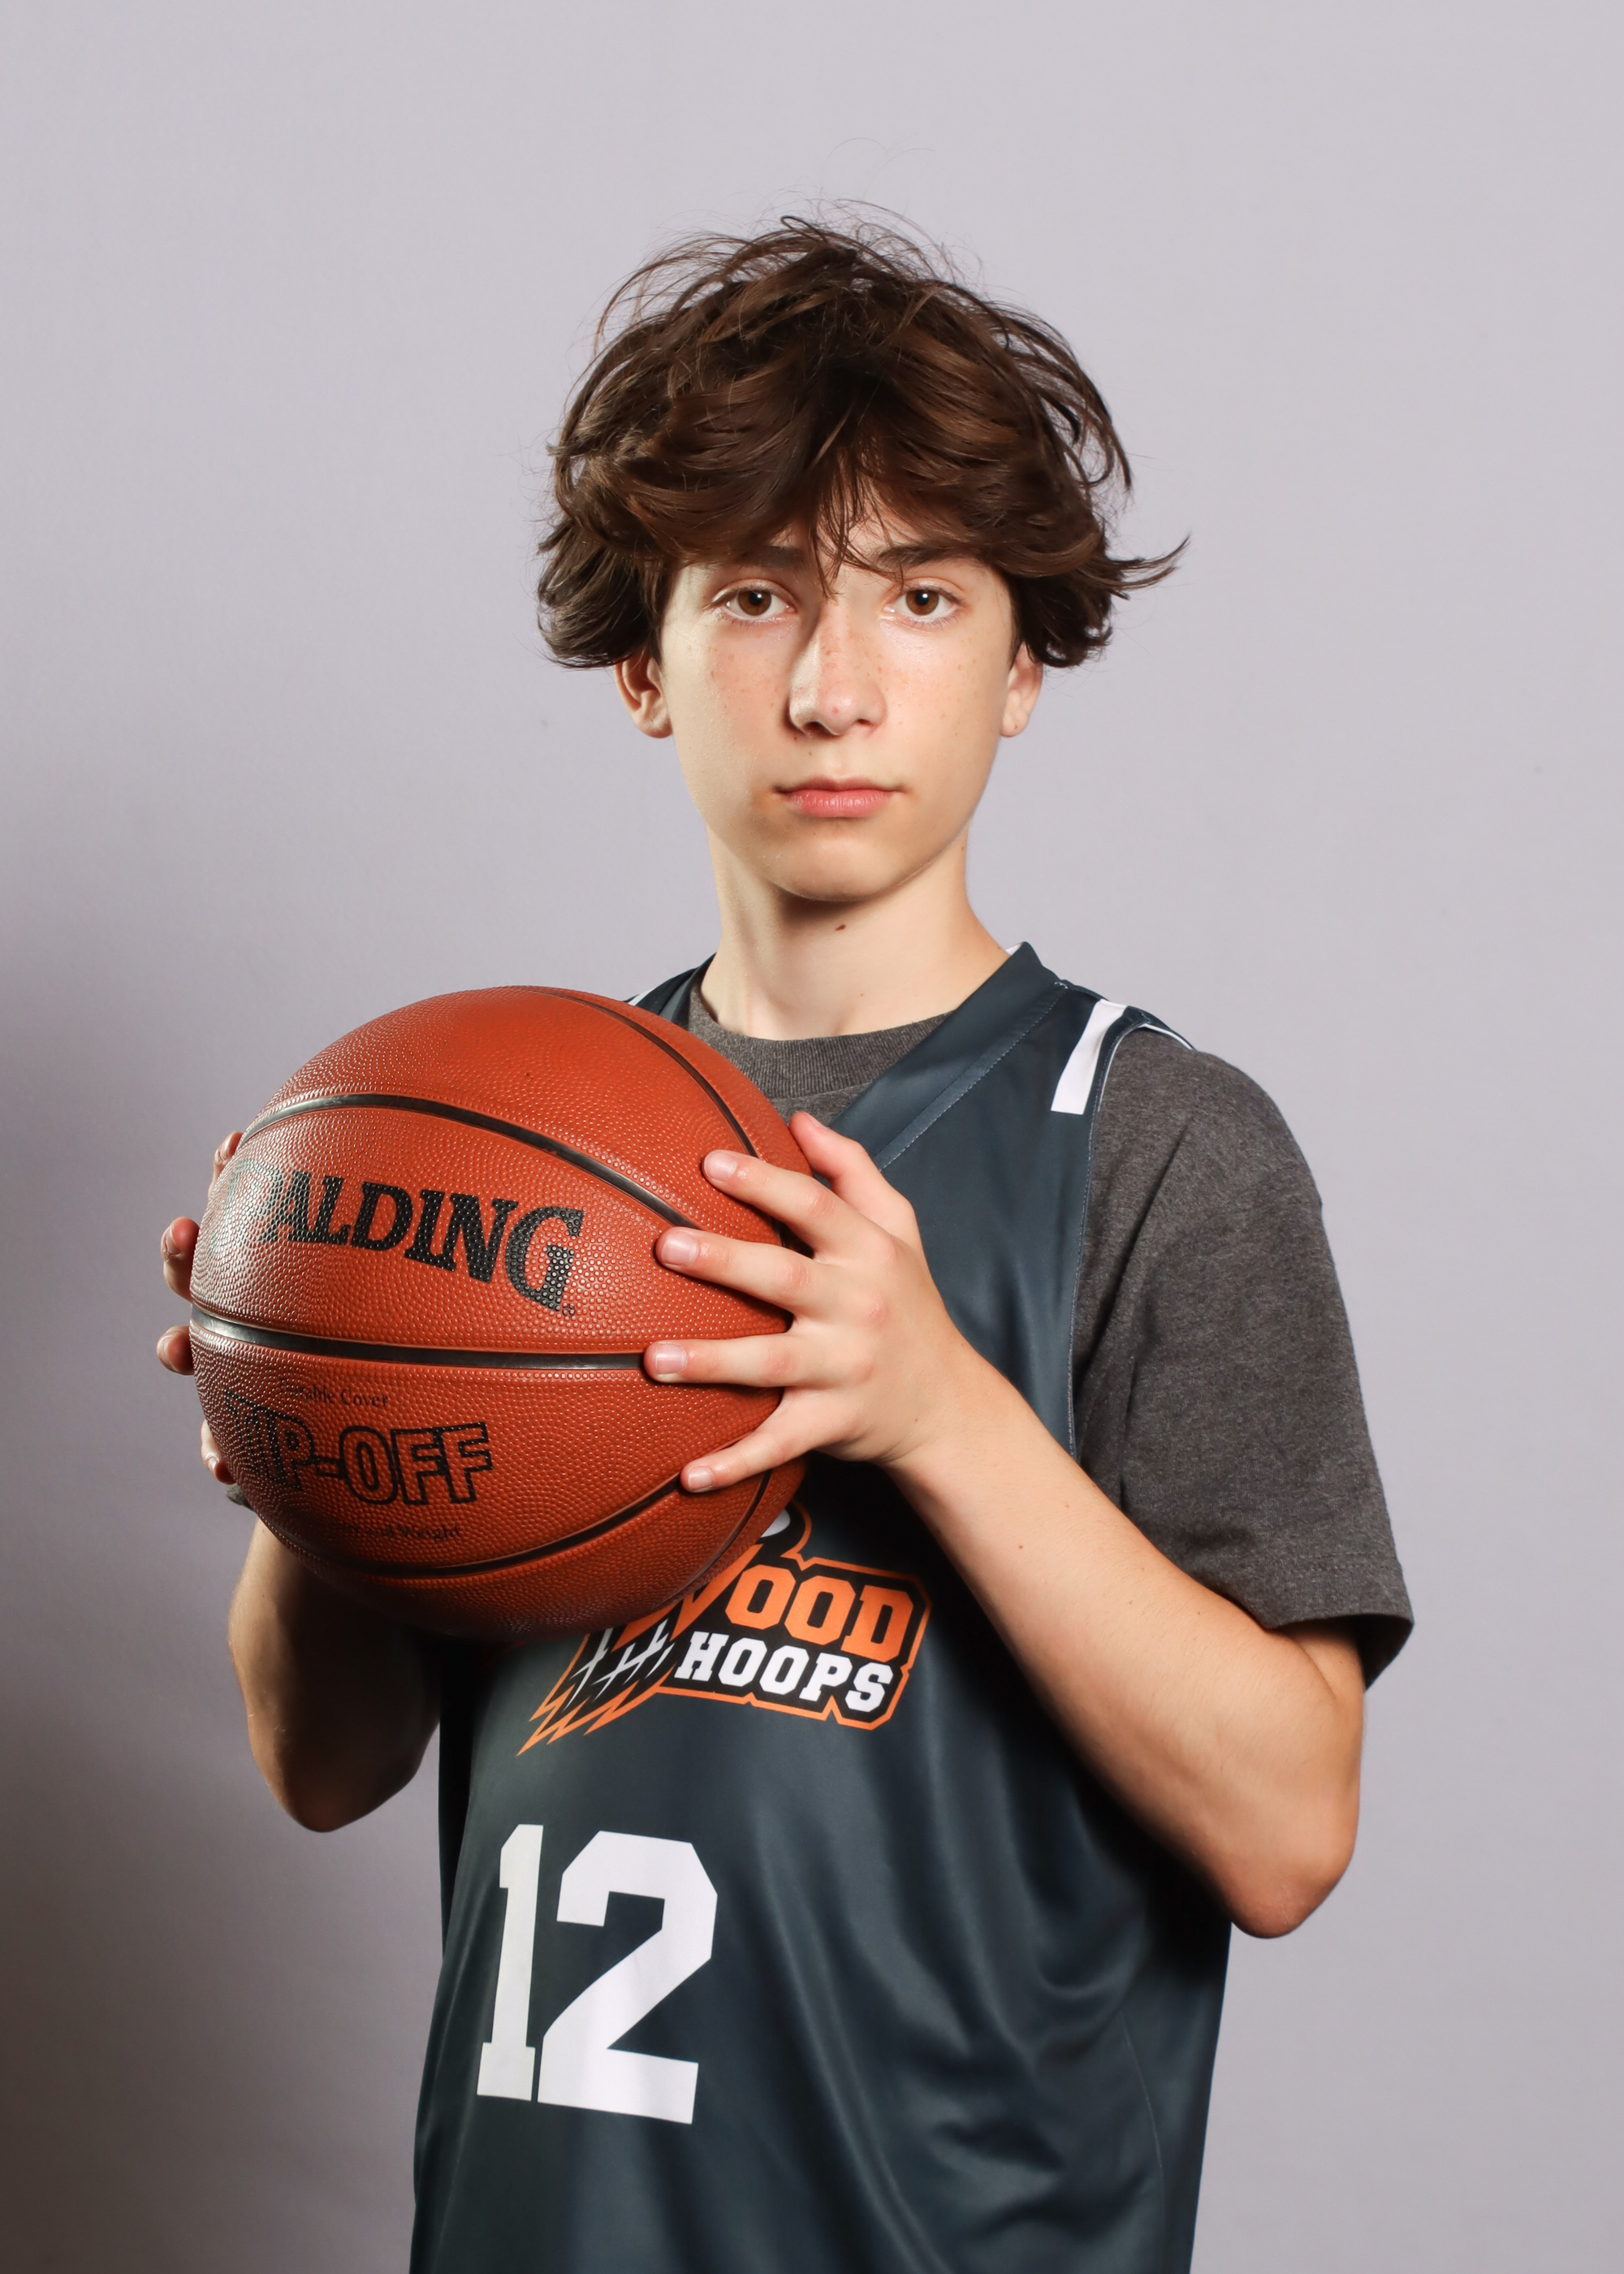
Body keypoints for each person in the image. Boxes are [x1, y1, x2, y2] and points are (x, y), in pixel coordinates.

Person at [157, 219, 1411, 2273]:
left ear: (1023, 663)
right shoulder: (511, 1147)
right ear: (645, 667)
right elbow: (320, 1761)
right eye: (753, 597)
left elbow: (1285, 1830)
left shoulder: (1158, 1144)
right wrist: (314, 1401)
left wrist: (938, 1409)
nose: (832, 688)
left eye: (919, 597)